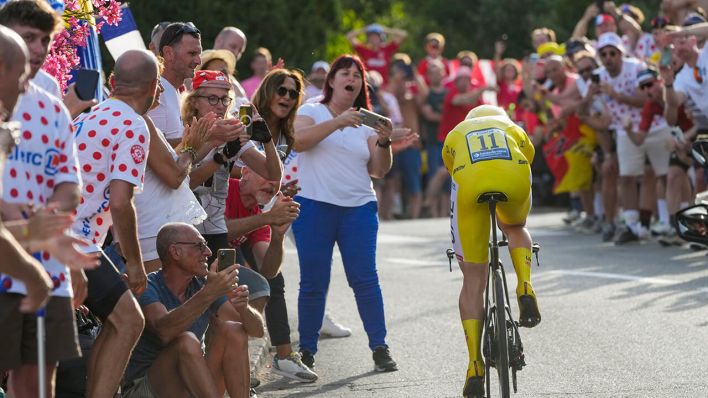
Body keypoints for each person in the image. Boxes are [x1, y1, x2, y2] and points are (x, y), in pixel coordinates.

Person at [292, 54, 397, 372]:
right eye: (345, 73)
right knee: (313, 282)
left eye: (357, 75)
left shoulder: (367, 121)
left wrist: (384, 140)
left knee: (365, 280)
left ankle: (380, 348)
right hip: (314, 206)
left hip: (358, 209)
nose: (352, 78)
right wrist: (337, 122)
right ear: (333, 81)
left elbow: (379, 170)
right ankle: (306, 352)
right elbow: (298, 142)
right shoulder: (311, 110)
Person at [71, 49, 160, 397]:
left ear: (112, 82)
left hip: (53, 234)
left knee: (118, 320)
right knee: (130, 320)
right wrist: (136, 265)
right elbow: (122, 201)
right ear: (153, 87)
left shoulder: (89, 113)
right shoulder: (134, 125)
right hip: (78, 241)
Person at [443, 105, 540, 398]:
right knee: (514, 226)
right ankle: (524, 283)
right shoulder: (512, 128)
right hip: (512, 177)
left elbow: (452, 169)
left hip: (471, 183)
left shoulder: (456, 132)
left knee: (473, 279)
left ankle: (474, 363)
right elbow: (530, 157)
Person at [122, 222, 264, 398]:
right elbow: (164, 330)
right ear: (175, 252)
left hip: (191, 384)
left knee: (233, 330)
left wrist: (244, 308)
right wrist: (208, 293)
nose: (208, 252)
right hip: (146, 388)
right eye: (200, 246)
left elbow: (257, 331)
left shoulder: (201, 286)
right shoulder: (149, 287)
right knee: (186, 342)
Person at [225, 167, 317, 383]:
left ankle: (283, 357)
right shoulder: (226, 188)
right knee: (240, 285)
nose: (272, 184)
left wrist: (277, 236)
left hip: (224, 255)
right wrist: (267, 217)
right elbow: (220, 231)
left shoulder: (260, 210)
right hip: (195, 251)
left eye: (276, 181)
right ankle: (233, 364)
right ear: (245, 173)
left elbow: (268, 271)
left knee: (271, 281)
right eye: (266, 176)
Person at [182, 70, 282, 263]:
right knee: (189, 290)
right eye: (212, 99)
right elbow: (184, 181)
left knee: (227, 287)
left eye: (224, 99)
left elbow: (273, 174)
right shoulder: (185, 130)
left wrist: (268, 140)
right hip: (184, 226)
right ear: (194, 101)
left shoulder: (233, 130)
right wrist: (221, 155)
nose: (220, 106)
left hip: (216, 227)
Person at [594, 32, 648, 244]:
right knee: (623, 176)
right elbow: (597, 112)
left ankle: (656, 221)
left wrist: (616, 94)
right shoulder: (598, 76)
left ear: (620, 53)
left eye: (612, 53)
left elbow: (646, 101)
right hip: (620, 131)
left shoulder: (636, 68)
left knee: (655, 175)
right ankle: (628, 224)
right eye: (604, 53)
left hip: (648, 125)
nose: (608, 57)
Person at [149, 22, 202, 146]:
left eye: (199, 54)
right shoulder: (157, 92)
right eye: (192, 53)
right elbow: (154, 150)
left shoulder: (174, 89)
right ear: (168, 53)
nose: (198, 61)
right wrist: (208, 138)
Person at [213, 26, 248, 99]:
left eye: (240, 51)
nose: (236, 54)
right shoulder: (194, 71)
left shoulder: (236, 85)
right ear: (219, 41)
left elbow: (246, 108)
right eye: (233, 47)